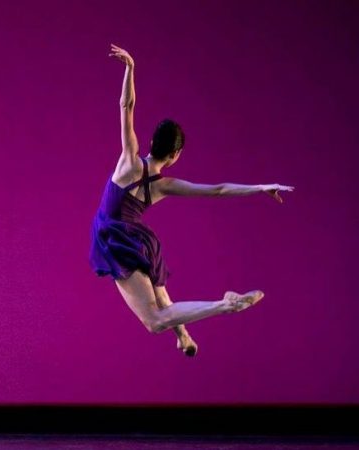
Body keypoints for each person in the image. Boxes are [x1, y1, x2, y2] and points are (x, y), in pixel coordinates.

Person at [89, 44, 293, 356]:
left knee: (155, 320)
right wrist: (261, 186)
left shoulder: (129, 160)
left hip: (116, 240)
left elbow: (126, 107)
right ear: (174, 156)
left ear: (153, 143)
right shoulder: (164, 185)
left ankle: (225, 304)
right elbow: (218, 189)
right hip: (139, 240)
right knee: (162, 299)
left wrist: (130, 69)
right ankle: (183, 336)